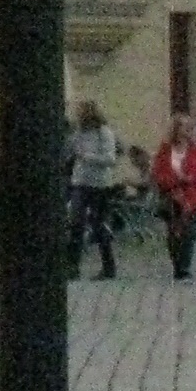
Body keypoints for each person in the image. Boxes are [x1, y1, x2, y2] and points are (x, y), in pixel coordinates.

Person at [149, 114, 196, 280]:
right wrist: (174, 180)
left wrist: (190, 179)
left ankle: (184, 268)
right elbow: (158, 172)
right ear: (175, 130)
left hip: (191, 197)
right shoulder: (165, 149)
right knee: (173, 233)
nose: (186, 131)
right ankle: (177, 265)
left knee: (189, 232)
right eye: (183, 127)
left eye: (188, 128)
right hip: (171, 196)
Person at [66, 101, 121, 279]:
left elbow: (110, 159)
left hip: (99, 184)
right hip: (79, 181)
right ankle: (72, 267)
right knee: (76, 223)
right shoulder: (78, 133)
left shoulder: (103, 133)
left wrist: (87, 157)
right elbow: (70, 151)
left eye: (81, 113)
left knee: (98, 225)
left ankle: (108, 267)